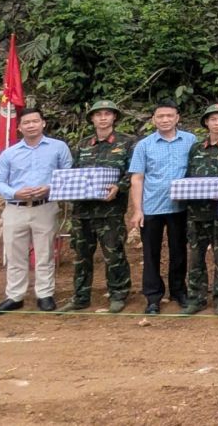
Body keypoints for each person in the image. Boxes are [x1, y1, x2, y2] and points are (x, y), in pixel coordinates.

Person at [0, 105, 72, 312]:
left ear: (43, 123)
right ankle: (15, 296)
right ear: (19, 127)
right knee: (15, 254)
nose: (31, 125)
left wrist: (50, 187)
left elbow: (68, 174)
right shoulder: (9, 153)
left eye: (35, 121)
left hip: (45, 206)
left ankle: (45, 294)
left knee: (45, 253)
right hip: (15, 207)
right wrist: (14, 193)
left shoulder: (58, 147)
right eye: (26, 122)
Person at [61, 99, 135, 314]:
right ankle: (80, 296)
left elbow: (133, 172)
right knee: (81, 255)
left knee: (114, 254)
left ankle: (118, 294)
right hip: (82, 211)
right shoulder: (83, 145)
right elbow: (72, 173)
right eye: (98, 114)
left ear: (114, 117)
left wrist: (119, 187)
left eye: (107, 114)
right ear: (92, 119)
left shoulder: (127, 143)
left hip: (110, 211)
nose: (103, 118)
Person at [127, 100, 196, 314]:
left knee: (179, 251)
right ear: (153, 119)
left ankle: (179, 291)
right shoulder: (144, 145)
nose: (165, 120)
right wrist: (138, 210)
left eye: (169, 116)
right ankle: (153, 297)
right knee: (151, 254)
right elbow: (137, 178)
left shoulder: (191, 141)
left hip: (180, 207)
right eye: (160, 116)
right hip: (152, 207)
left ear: (177, 118)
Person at [182, 103, 218, 316]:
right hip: (195, 211)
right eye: (213, 119)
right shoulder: (196, 148)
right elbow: (188, 175)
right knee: (195, 256)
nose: (217, 123)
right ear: (206, 122)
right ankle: (196, 298)